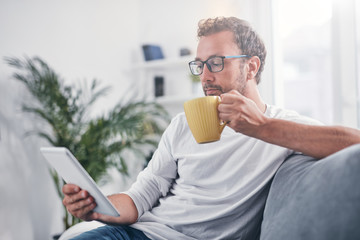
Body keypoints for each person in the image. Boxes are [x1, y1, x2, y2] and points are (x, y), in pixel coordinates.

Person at [62, 17, 360, 240]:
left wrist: (261, 127)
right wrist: (99, 208)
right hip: (140, 233)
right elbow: (143, 194)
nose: (204, 77)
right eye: (199, 65)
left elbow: (353, 142)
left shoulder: (278, 126)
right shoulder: (182, 124)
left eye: (216, 62)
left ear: (252, 67)